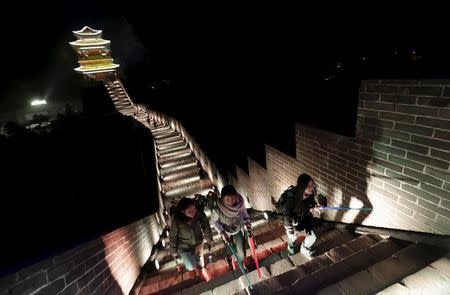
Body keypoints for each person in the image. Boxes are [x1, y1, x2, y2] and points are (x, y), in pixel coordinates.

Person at [169, 197, 213, 280]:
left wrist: (209, 239)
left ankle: (205, 279)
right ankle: (194, 276)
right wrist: (173, 251)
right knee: (191, 266)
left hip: (198, 242)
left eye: (194, 209)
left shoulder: (199, 213)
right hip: (184, 246)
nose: (193, 212)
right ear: (182, 212)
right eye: (189, 211)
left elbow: (206, 226)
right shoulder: (177, 220)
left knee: (200, 264)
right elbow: (173, 236)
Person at [211, 185, 252, 270]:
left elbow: (244, 211)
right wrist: (222, 232)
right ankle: (229, 259)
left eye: (233, 199)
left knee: (241, 251)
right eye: (227, 200)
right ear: (222, 199)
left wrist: (247, 221)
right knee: (229, 249)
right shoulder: (217, 209)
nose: (231, 202)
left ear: (236, 196)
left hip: (238, 228)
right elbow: (214, 222)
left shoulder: (240, 202)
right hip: (226, 232)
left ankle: (241, 263)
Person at [283, 173, 323, 258]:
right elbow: (286, 217)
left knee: (313, 236)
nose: (312, 188)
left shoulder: (311, 193)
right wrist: (290, 233)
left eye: (312, 185)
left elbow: (311, 203)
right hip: (294, 221)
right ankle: (291, 250)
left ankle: (304, 248)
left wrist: (315, 206)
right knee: (292, 239)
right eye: (309, 186)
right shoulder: (292, 199)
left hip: (306, 217)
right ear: (302, 187)